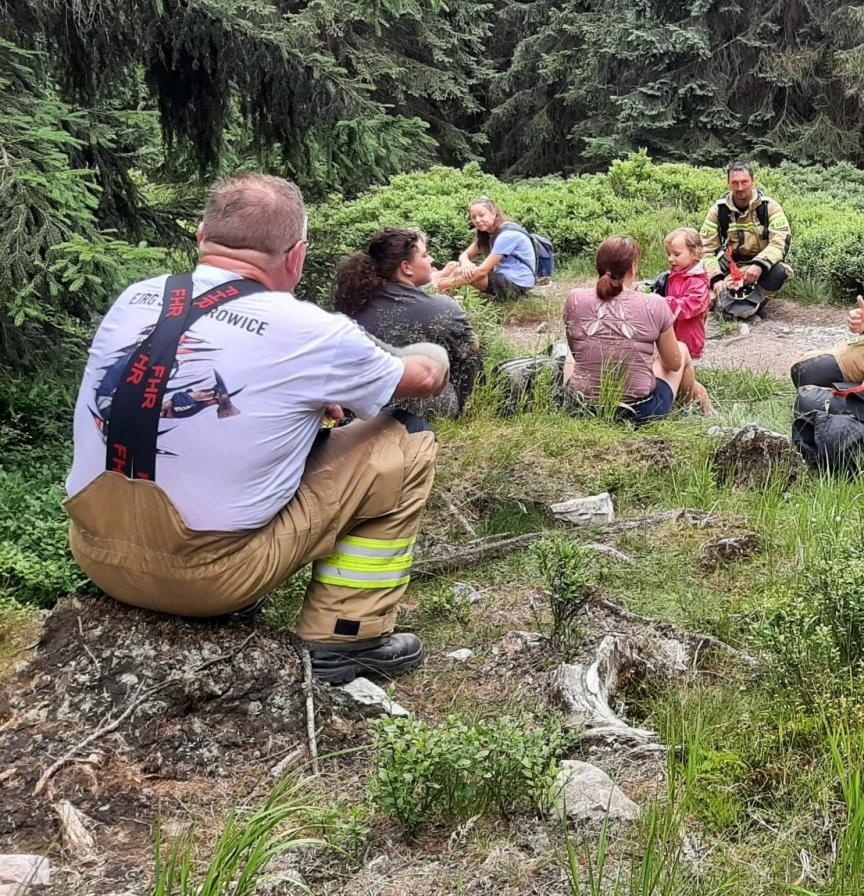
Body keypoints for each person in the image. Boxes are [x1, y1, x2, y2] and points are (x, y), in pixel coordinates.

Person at [65, 174, 450, 684]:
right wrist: (432, 351)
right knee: (406, 438)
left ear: (202, 236)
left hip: (95, 555)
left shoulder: (137, 297)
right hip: (208, 580)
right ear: (296, 256)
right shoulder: (309, 330)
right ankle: (345, 636)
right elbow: (423, 380)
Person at [333, 228, 483, 418]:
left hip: (356, 410)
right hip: (413, 409)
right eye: (425, 255)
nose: (431, 260)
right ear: (406, 267)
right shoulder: (442, 308)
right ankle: (470, 409)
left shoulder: (356, 300)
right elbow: (471, 350)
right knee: (467, 350)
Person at [563, 236, 694, 424]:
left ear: (598, 266)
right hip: (639, 412)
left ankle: (574, 400)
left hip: (582, 408)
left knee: (569, 354)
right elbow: (673, 364)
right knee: (681, 349)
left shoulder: (574, 298)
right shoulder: (654, 303)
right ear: (633, 267)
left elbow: (576, 352)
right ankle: (688, 410)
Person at [699, 162, 793, 298]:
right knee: (696, 272)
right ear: (728, 184)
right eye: (735, 183)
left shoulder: (769, 207)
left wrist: (759, 265)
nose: (740, 188)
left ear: (753, 182)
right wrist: (715, 278)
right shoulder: (718, 210)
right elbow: (706, 250)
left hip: (760, 263)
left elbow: (780, 243)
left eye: (744, 182)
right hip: (730, 264)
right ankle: (724, 294)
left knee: (780, 272)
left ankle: (756, 298)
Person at [436, 198, 542, 301]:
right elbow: (465, 255)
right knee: (457, 268)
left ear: (493, 214)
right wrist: (466, 264)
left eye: (482, 215)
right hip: (503, 277)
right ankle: (442, 296)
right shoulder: (488, 233)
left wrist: (443, 284)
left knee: (464, 273)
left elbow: (482, 271)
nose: (477, 220)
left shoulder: (507, 235)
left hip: (518, 284)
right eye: (473, 217)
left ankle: (439, 291)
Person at [660, 228, 716, 415]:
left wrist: (664, 304)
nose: (671, 259)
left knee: (687, 381)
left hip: (689, 340)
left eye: (676, 254)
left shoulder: (698, 281)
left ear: (695, 253)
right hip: (672, 337)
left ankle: (703, 405)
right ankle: (683, 406)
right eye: (668, 254)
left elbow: (690, 306)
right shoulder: (674, 275)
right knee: (673, 373)